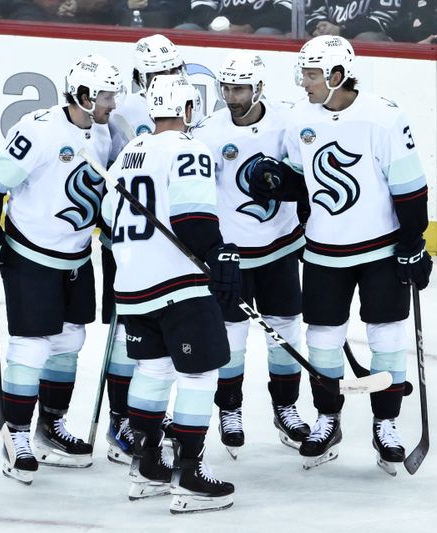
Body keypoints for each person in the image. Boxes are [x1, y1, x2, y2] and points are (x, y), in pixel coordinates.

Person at [249, 36, 432, 475]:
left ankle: (386, 424)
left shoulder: (383, 117)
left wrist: (412, 244)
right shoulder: (299, 118)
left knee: (387, 337)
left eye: (311, 75)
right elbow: (301, 178)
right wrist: (277, 181)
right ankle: (328, 418)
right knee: (323, 340)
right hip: (324, 252)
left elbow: (410, 186)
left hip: (381, 251)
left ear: (335, 75)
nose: (303, 82)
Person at [0, 54, 124, 484]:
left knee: (70, 339)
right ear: (85, 96)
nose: (113, 102)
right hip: (31, 254)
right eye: (106, 95)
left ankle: (50, 428)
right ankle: (14, 435)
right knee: (32, 346)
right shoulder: (39, 130)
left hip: (75, 257)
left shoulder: (104, 131)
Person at [101, 74, 238, 513]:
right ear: (188, 110)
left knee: (155, 371)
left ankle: (146, 466)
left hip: (132, 285)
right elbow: (193, 219)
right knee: (199, 375)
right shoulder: (189, 147)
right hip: (178, 284)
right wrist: (219, 257)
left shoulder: (125, 156)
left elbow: (107, 221)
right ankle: (190, 474)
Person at [191, 51, 311, 459]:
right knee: (232, 338)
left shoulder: (287, 122)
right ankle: (230, 409)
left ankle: (286, 408)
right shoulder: (207, 132)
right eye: (226, 87)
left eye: (240, 88)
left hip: (278, 248)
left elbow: (306, 176)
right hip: (231, 255)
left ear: (258, 88)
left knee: (285, 332)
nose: (231, 95)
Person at [100, 33, 187, 465]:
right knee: (124, 337)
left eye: (171, 70)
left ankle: (148, 414)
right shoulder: (124, 112)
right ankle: (121, 421)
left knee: (160, 341)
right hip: (127, 243)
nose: (165, 79)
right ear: (139, 76)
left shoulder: (185, 108)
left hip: (165, 247)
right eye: (157, 73)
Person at [176, 0, 292, 35]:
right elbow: (201, 6)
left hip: (258, 29)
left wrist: (250, 27)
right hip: (218, 28)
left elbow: (285, 10)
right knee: (184, 30)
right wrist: (216, 24)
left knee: (266, 33)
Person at [306, 0, 401, 41]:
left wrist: (340, 30)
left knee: (366, 39)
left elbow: (381, 22)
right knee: (300, 37)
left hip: (374, 55)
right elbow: (314, 12)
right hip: (331, 46)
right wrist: (322, 28)